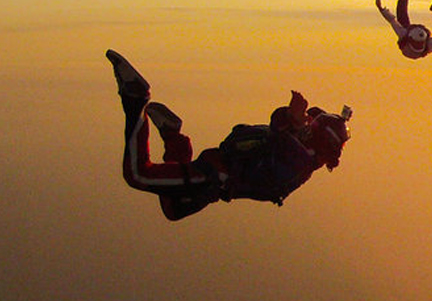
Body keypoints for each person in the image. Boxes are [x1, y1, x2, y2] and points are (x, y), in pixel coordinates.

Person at [105, 50, 351, 221]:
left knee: (173, 207)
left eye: (313, 127)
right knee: (138, 175)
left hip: (214, 178)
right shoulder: (304, 155)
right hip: (213, 176)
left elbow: (278, 131)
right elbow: (279, 134)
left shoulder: (299, 158)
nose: (309, 126)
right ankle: (137, 99)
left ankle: (173, 135)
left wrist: (293, 117)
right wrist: (296, 118)